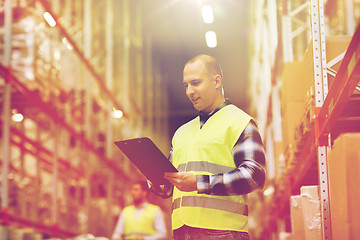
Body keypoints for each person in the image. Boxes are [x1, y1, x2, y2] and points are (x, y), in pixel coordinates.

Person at [149, 54, 266, 240]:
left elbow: (255, 176)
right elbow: (166, 189)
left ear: (216, 81)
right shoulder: (181, 132)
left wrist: (199, 183)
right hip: (182, 232)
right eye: (186, 85)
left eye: (195, 83)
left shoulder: (239, 123)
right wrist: (153, 174)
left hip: (224, 232)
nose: (189, 91)